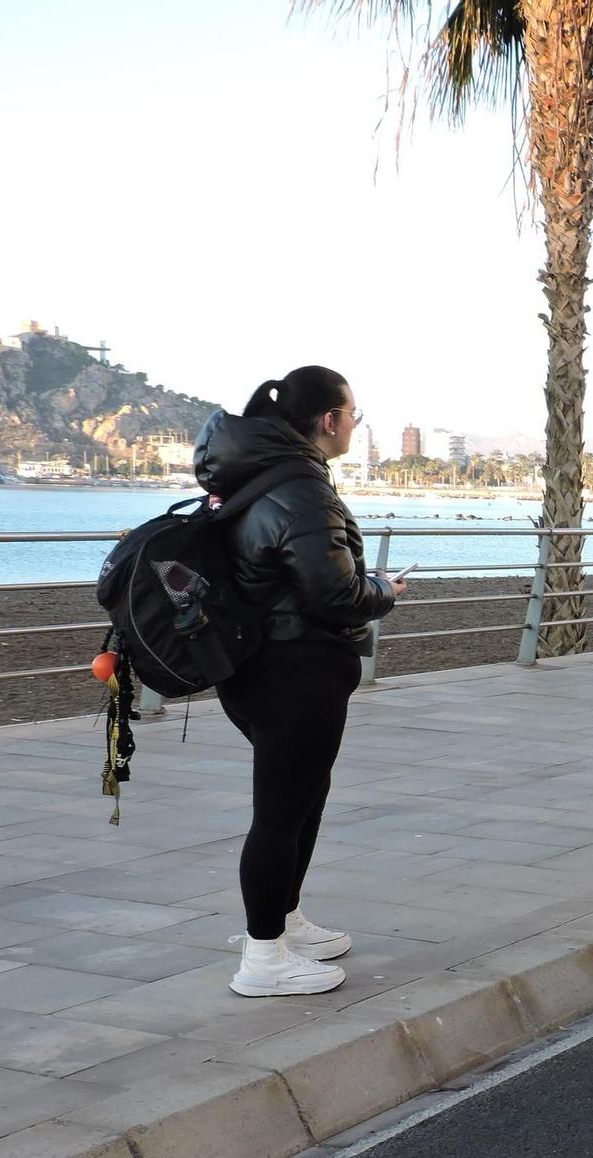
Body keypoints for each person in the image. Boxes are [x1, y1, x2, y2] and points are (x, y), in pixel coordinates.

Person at [197, 367, 400, 998]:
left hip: (258, 664)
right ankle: (263, 960)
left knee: (302, 798)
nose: (353, 427)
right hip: (295, 669)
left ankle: (284, 923)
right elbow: (333, 591)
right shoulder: (302, 487)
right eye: (354, 416)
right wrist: (384, 593)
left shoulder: (255, 472)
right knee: (280, 813)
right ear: (330, 420)